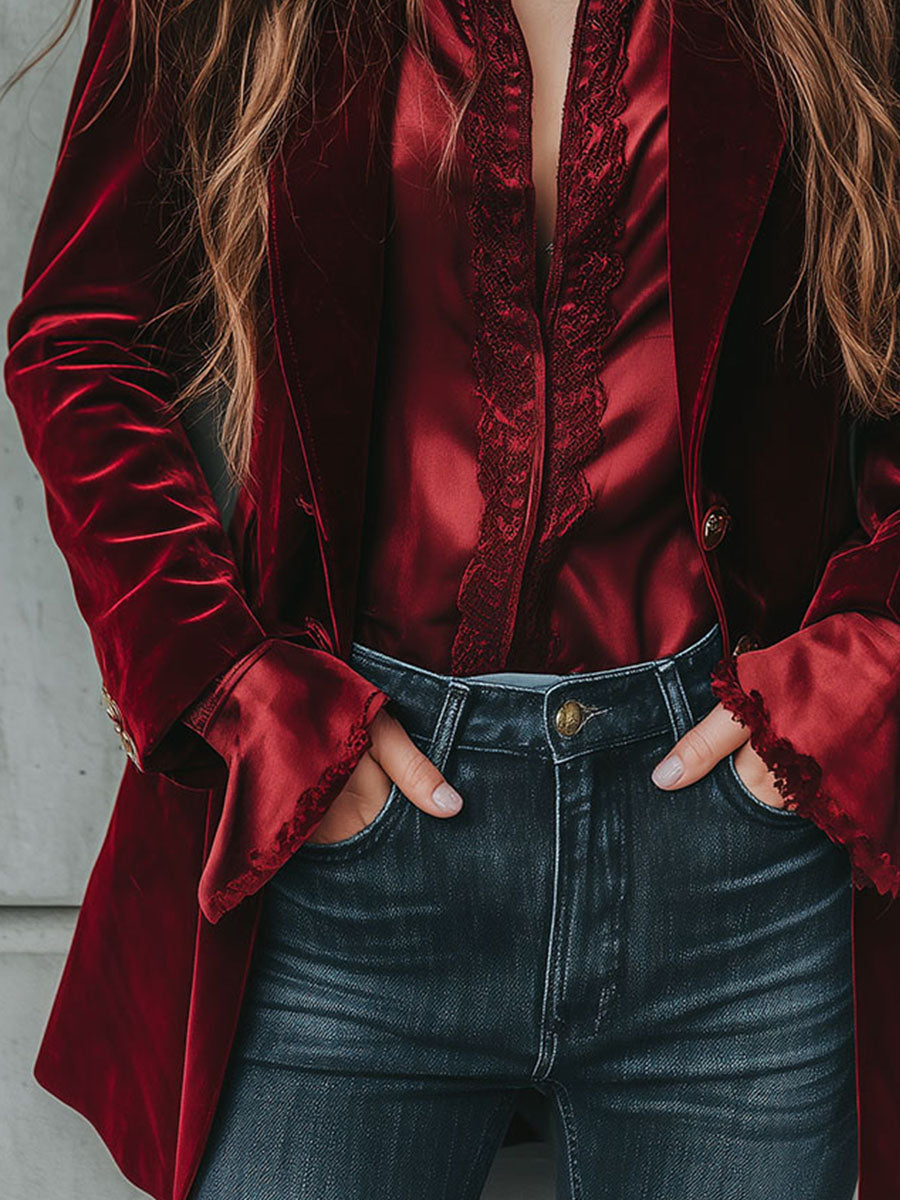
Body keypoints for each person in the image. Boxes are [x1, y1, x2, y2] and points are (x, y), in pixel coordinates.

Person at [4, 0, 900, 1195]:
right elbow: (80, 344)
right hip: (345, 855)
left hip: (737, 871)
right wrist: (226, 679)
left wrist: (861, 666)